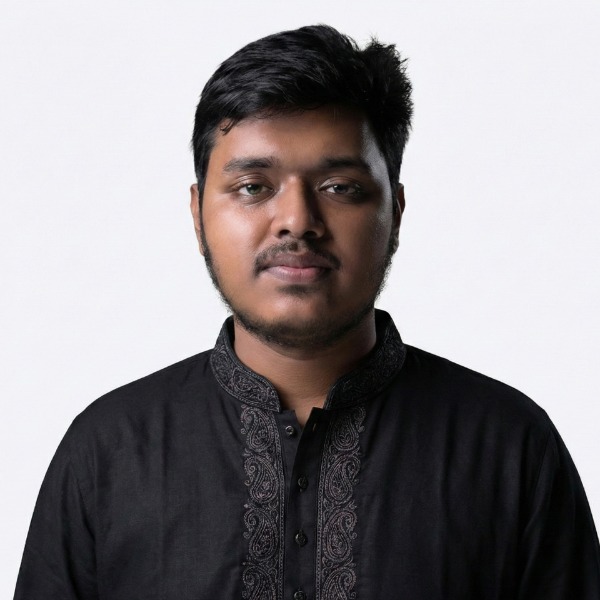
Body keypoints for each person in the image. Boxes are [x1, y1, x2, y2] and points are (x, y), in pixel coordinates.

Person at [14, 24, 600, 600]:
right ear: (197, 214)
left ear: (395, 212)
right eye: (252, 186)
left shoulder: (509, 447)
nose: (297, 220)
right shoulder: (108, 450)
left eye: (340, 186)